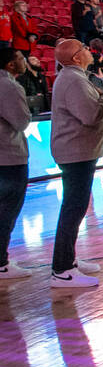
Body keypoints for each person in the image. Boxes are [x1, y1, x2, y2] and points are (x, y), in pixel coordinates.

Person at [48, 39, 103, 287]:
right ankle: (62, 269)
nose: (88, 51)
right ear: (75, 57)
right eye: (83, 48)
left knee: (76, 207)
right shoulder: (73, 79)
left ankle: (68, 259)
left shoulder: (75, 77)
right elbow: (90, 114)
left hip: (78, 151)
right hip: (75, 151)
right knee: (74, 208)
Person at [0, 48, 31, 279]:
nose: (25, 61)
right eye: (20, 58)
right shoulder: (9, 86)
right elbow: (21, 121)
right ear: (11, 64)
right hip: (9, 155)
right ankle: (1, 262)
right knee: (7, 210)